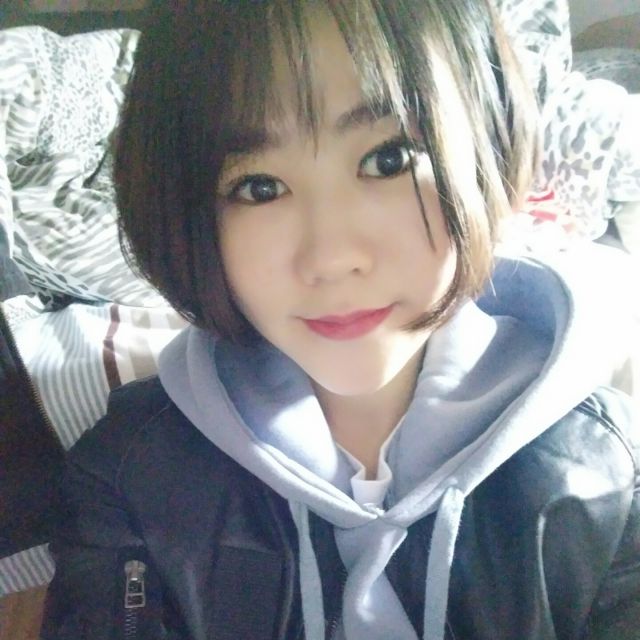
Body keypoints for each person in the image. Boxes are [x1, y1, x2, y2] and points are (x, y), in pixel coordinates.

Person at [41, 1, 639, 639]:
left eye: (388, 159)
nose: (330, 258)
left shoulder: (609, 468)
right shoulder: (129, 474)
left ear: (487, 147)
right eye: (258, 187)